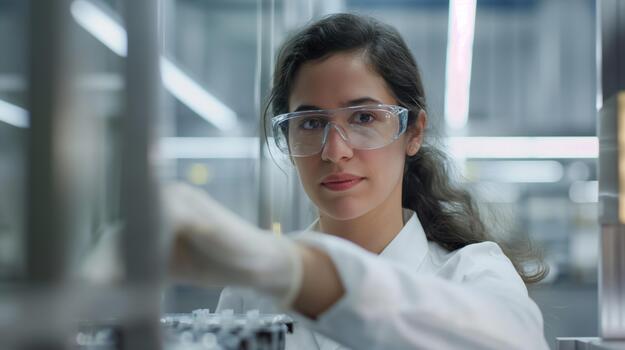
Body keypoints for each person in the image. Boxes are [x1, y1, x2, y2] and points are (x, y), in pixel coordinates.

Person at [167, 13, 550, 350]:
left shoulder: (471, 272)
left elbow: (518, 340)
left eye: (364, 118)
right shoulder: (250, 293)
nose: (335, 151)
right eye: (311, 123)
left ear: (413, 132)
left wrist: (296, 272)